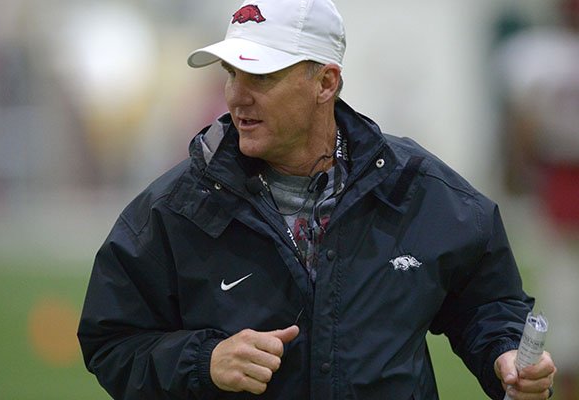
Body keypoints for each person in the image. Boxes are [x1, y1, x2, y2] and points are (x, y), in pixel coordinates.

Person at [78, 0, 557, 398]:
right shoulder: (176, 207)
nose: (235, 97)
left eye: (260, 77)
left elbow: (487, 302)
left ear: (326, 83)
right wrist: (204, 360)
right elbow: (112, 342)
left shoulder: (415, 188)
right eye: (231, 74)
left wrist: (507, 355)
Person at [495, 1, 579, 399]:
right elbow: (524, 123)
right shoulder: (538, 53)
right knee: (561, 292)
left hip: (558, 175)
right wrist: (518, 169)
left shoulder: (537, 55)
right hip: (560, 177)